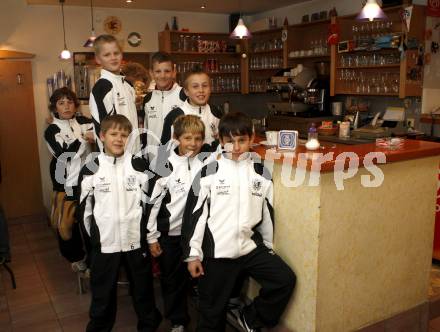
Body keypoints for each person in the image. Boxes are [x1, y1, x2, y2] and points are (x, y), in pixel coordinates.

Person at [182, 112, 296, 332]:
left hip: (249, 248)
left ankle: (251, 318)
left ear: (252, 138)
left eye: (242, 140)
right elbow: (194, 216)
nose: (235, 147)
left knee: (284, 280)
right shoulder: (208, 172)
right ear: (220, 141)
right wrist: (193, 254)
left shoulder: (261, 172)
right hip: (217, 252)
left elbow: (267, 214)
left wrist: (268, 248)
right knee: (212, 315)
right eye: (229, 141)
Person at [77, 114, 161, 332]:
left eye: (124, 135)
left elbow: (149, 205)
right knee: (103, 294)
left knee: (143, 291)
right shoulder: (91, 167)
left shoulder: (139, 165)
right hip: (105, 244)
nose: (118, 139)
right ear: (102, 136)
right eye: (113, 134)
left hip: (135, 241)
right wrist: (95, 241)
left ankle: (149, 326)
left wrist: (149, 236)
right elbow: (85, 212)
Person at [147, 115, 207, 332]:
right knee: (172, 280)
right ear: (176, 138)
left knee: (198, 277)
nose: (193, 143)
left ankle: (206, 316)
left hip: (198, 235)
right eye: (187, 138)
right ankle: (178, 321)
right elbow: (152, 204)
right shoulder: (165, 166)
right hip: (170, 234)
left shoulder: (207, 164)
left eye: (198, 138)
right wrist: (151, 236)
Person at [44, 87, 94, 273]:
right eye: (61, 103)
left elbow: (102, 130)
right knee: (66, 224)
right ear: (55, 108)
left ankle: (93, 261)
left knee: (89, 222)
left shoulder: (83, 121)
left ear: (75, 105)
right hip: (65, 182)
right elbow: (64, 155)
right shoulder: (52, 130)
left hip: (88, 181)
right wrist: (82, 139)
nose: (66, 106)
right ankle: (76, 258)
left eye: (70, 102)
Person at [89, 34, 140, 153]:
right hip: (114, 157)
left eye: (116, 53)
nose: (113, 58)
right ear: (98, 59)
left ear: (122, 54)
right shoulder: (102, 87)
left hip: (133, 152)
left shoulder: (127, 84)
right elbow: (102, 127)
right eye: (107, 55)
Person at [160, 67, 222, 151]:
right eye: (195, 86)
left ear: (210, 89)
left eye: (205, 85)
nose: (201, 90)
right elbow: (163, 152)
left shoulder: (216, 112)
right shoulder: (175, 116)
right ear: (186, 91)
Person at [143, 52, 186, 158]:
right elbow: (146, 130)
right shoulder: (148, 99)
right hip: (152, 160)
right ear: (151, 73)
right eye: (158, 71)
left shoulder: (184, 95)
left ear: (174, 72)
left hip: (178, 160)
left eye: (167, 71)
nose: (162, 76)